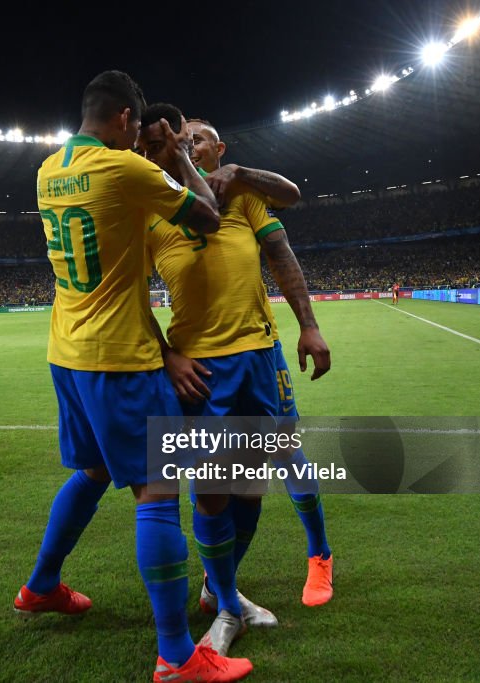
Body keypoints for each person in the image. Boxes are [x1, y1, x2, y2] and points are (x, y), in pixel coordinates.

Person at [13, 72, 250, 683]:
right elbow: (206, 217)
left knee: (92, 472)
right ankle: (176, 655)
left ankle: (40, 586)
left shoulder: (46, 170)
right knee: (158, 491)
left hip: (66, 352)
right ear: (124, 120)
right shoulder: (127, 170)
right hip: (118, 357)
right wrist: (175, 158)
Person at [143, 111, 332, 656]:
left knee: (254, 481)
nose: (188, 148)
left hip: (258, 357)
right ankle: (227, 605)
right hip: (199, 369)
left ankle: (220, 588)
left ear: (216, 149)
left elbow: (283, 250)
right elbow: (124, 299)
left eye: (196, 140)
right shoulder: (151, 210)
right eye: (180, 142)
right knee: (211, 491)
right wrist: (166, 355)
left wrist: (311, 326)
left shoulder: (243, 197)